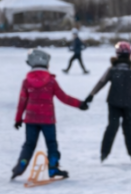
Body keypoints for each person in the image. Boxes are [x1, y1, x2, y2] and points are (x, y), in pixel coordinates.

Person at [11, 48, 88, 180]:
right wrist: (79, 104)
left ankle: (21, 165)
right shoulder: (51, 81)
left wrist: (18, 119)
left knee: (29, 144)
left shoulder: (27, 81)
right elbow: (64, 97)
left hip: (31, 119)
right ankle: (53, 168)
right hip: (47, 119)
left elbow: (22, 101)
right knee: (51, 144)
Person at [84, 41, 131, 162]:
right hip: (129, 104)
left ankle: (104, 152)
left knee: (112, 126)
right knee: (128, 127)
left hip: (114, 103)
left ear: (117, 55)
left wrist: (91, 95)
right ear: (129, 56)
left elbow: (101, 83)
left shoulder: (112, 70)